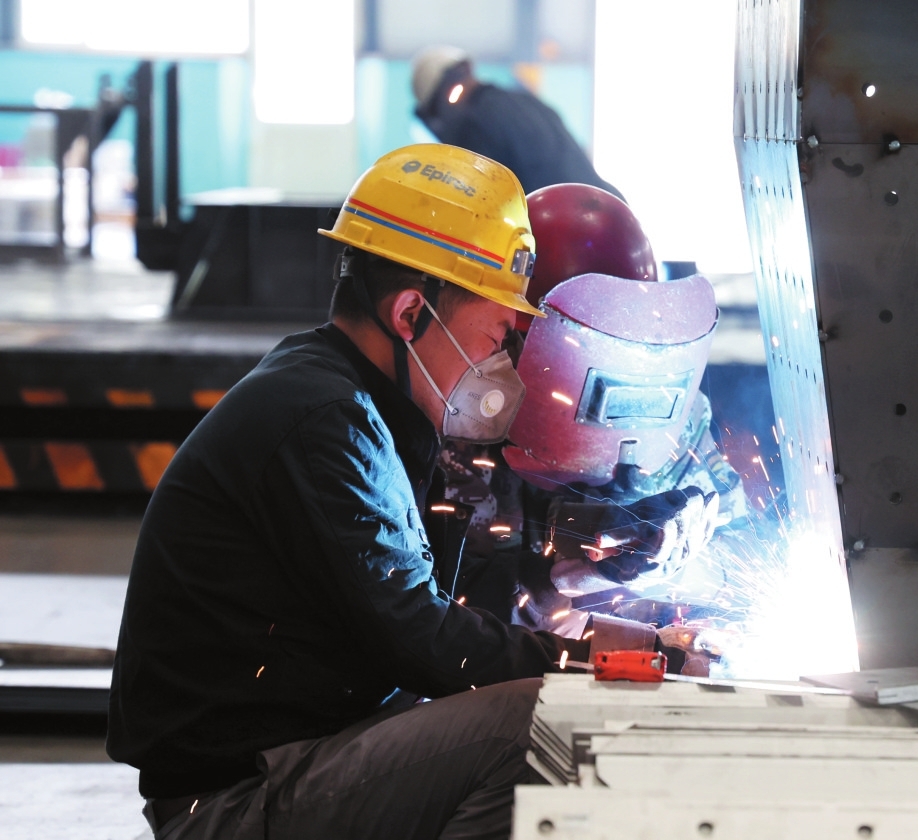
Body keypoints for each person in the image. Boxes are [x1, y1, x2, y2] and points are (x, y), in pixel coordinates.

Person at [106, 145, 668, 840]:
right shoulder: (323, 419)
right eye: (497, 332)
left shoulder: (354, 403)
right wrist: (593, 660)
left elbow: (412, 596)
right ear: (410, 313)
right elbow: (420, 639)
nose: (503, 360)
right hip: (235, 802)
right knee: (538, 725)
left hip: (292, 758)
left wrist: (556, 574)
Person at [437, 183, 748, 641]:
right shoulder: (459, 421)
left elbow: (741, 554)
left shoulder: (671, 418)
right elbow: (441, 617)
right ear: (515, 335)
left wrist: (679, 562)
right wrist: (571, 574)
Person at [411, 46, 623, 200]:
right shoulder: (526, 102)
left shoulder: (474, 124)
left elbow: (477, 202)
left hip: (561, 228)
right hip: (607, 211)